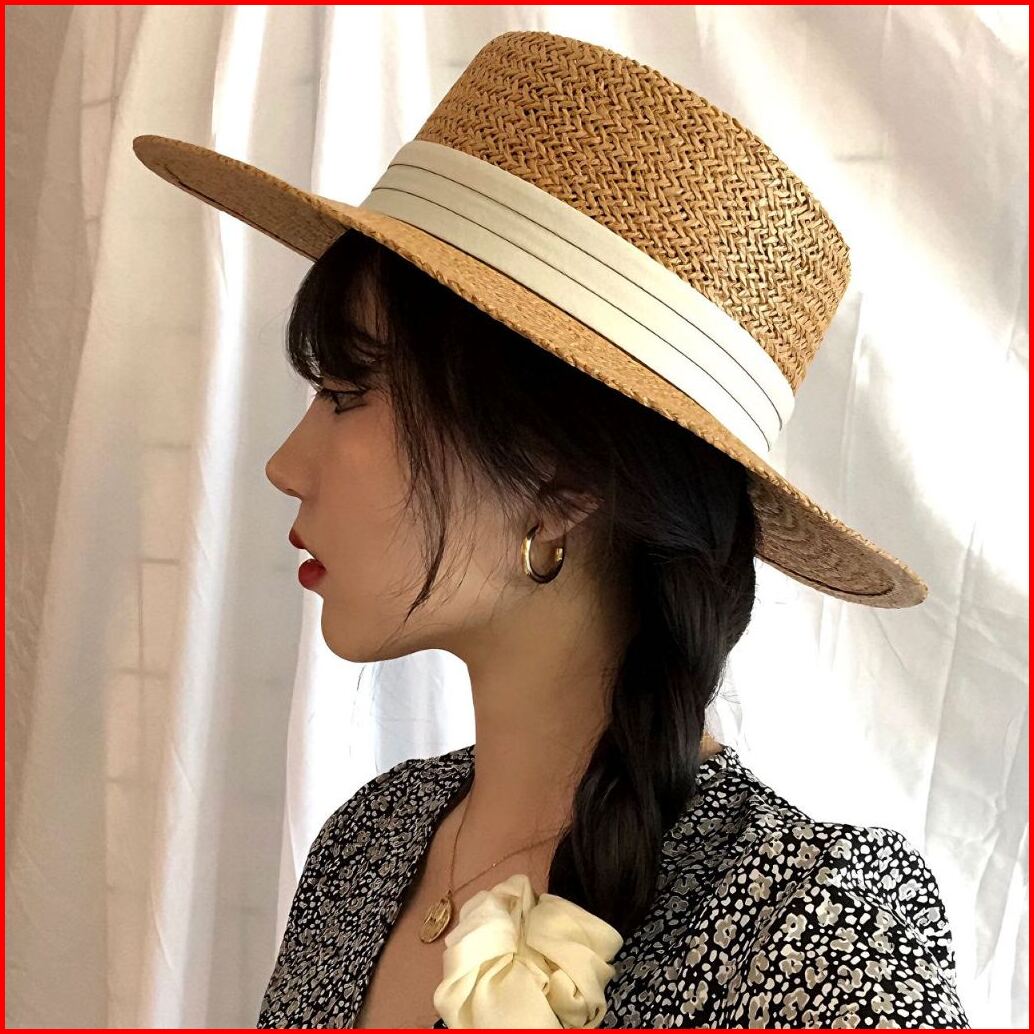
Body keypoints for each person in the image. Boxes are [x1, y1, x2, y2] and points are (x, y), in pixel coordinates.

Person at [132, 29, 970, 1030]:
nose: (283, 464)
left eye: (347, 395)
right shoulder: (368, 846)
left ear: (564, 478)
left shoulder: (810, 937)